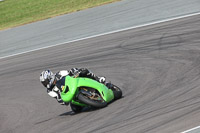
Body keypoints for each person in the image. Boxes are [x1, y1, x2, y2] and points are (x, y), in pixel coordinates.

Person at [40, 68, 106, 105]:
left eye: (45, 82)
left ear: (50, 77)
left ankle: (98, 79)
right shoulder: (49, 90)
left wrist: (75, 72)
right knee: (75, 109)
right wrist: (62, 100)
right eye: (44, 83)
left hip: (74, 83)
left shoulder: (59, 74)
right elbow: (57, 97)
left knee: (84, 71)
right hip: (69, 95)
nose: (45, 84)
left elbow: (70, 72)